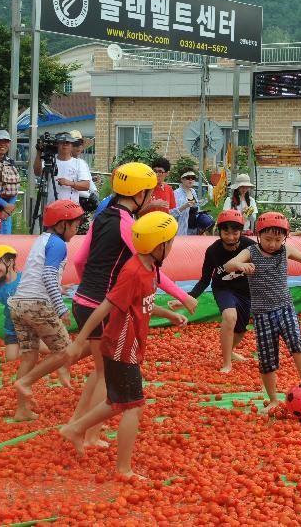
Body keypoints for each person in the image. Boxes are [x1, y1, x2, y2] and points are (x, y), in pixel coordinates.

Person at [68, 162, 196, 447]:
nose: (150, 198)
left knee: (99, 370)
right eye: (149, 193)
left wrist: (88, 287)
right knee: (105, 373)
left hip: (82, 299)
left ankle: (78, 425)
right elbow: (148, 266)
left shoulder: (103, 215)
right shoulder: (129, 225)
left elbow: (79, 260)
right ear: (139, 193)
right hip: (101, 303)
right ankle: (87, 433)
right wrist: (182, 296)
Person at [60, 212, 187, 478]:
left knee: (117, 401)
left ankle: (75, 429)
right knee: (134, 405)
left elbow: (143, 304)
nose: (173, 246)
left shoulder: (150, 269)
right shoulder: (133, 272)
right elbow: (105, 306)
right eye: (171, 241)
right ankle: (123, 469)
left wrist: (170, 314)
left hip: (128, 346)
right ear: (158, 246)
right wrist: (80, 340)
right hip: (121, 347)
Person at [224, 212, 301, 414]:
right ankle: (273, 399)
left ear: (284, 238)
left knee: (297, 344)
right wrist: (239, 265)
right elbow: (229, 264)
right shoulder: (251, 252)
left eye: (277, 239)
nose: (273, 244)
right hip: (262, 315)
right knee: (267, 359)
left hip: (285, 308)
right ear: (258, 235)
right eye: (268, 239)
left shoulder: (285, 251)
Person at [9, 200, 84, 421]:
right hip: (37, 305)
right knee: (66, 351)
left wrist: (60, 288)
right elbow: (48, 275)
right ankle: (26, 381)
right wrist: (61, 308)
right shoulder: (59, 245)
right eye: (75, 225)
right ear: (62, 225)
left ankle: (22, 410)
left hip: (19, 304)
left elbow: (36, 273)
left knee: (29, 357)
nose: (76, 230)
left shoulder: (41, 240)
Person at [0, 245, 74, 386]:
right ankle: (29, 353)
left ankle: (55, 359)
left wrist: (59, 289)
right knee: (11, 358)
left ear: (10, 261)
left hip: (31, 326)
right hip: (12, 330)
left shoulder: (25, 278)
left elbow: (43, 286)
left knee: (50, 350)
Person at [168, 209, 254, 373]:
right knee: (230, 316)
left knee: (241, 330)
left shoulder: (249, 246)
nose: (230, 237)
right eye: (226, 232)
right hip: (223, 288)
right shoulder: (213, 251)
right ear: (219, 231)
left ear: (240, 232)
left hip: (244, 291)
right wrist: (186, 298)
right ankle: (226, 362)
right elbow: (204, 279)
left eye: (235, 232)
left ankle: (230, 350)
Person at [34, 132, 91, 207]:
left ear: (72, 146)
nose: (65, 145)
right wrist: (39, 152)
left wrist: (69, 183)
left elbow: (86, 186)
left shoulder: (79, 163)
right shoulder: (50, 161)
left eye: (67, 142)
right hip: (52, 208)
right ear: (57, 145)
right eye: (62, 142)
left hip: (71, 209)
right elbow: (37, 173)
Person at [172, 170, 200, 236]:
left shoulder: (193, 191)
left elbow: (195, 208)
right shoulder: (176, 193)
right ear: (182, 179)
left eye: (193, 178)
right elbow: (172, 213)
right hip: (183, 230)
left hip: (195, 229)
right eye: (188, 178)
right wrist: (184, 206)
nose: (190, 180)